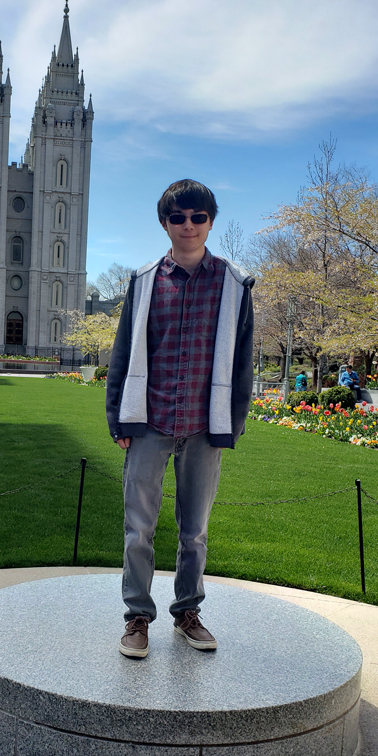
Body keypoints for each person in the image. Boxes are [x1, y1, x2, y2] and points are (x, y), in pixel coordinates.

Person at [106, 179, 255, 658]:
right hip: (149, 423)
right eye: (178, 217)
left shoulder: (234, 283)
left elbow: (243, 363)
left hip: (203, 426)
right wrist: (119, 419)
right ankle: (137, 616)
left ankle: (187, 611)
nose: (188, 225)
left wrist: (231, 424)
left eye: (198, 217)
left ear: (210, 221)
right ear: (164, 223)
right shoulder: (145, 280)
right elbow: (124, 351)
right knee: (138, 530)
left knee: (195, 531)